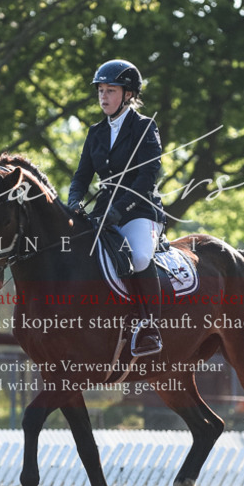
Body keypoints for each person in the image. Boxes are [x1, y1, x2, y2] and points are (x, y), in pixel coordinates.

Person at [68, 59, 166, 356]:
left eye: (111, 90)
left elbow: (147, 176)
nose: (103, 97)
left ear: (128, 94)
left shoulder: (145, 126)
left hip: (140, 211)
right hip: (103, 212)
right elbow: (82, 175)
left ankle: (150, 327)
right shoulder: (96, 132)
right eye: (100, 90)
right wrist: (74, 200)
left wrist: (120, 210)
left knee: (136, 257)